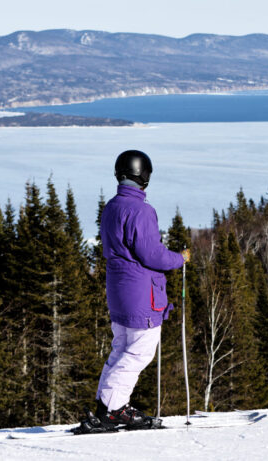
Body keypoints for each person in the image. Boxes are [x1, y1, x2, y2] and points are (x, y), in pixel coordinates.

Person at [78, 149, 189, 433]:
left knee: (121, 348)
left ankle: (107, 404)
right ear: (144, 176)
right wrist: (180, 258)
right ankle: (114, 410)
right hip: (142, 293)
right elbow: (151, 254)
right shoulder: (141, 210)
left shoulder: (112, 206)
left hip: (118, 289)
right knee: (139, 352)